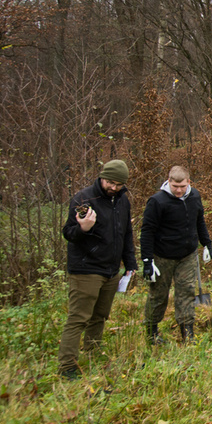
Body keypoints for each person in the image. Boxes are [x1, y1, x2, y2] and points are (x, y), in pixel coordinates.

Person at [58, 160, 138, 379]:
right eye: (110, 182)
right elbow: (68, 233)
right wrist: (83, 228)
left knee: (100, 315)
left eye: (119, 184)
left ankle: (92, 352)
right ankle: (67, 367)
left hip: (111, 269)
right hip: (86, 268)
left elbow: (126, 233)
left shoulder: (122, 201)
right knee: (78, 318)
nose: (113, 187)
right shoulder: (83, 199)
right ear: (102, 177)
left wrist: (130, 263)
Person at [141, 166, 212, 344]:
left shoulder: (195, 196)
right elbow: (147, 231)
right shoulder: (157, 201)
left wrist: (207, 244)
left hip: (187, 255)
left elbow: (200, 221)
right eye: (175, 186)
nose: (179, 190)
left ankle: (187, 334)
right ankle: (151, 332)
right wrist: (147, 261)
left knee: (186, 292)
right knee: (158, 295)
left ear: (189, 182)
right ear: (169, 182)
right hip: (162, 256)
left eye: (182, 186)